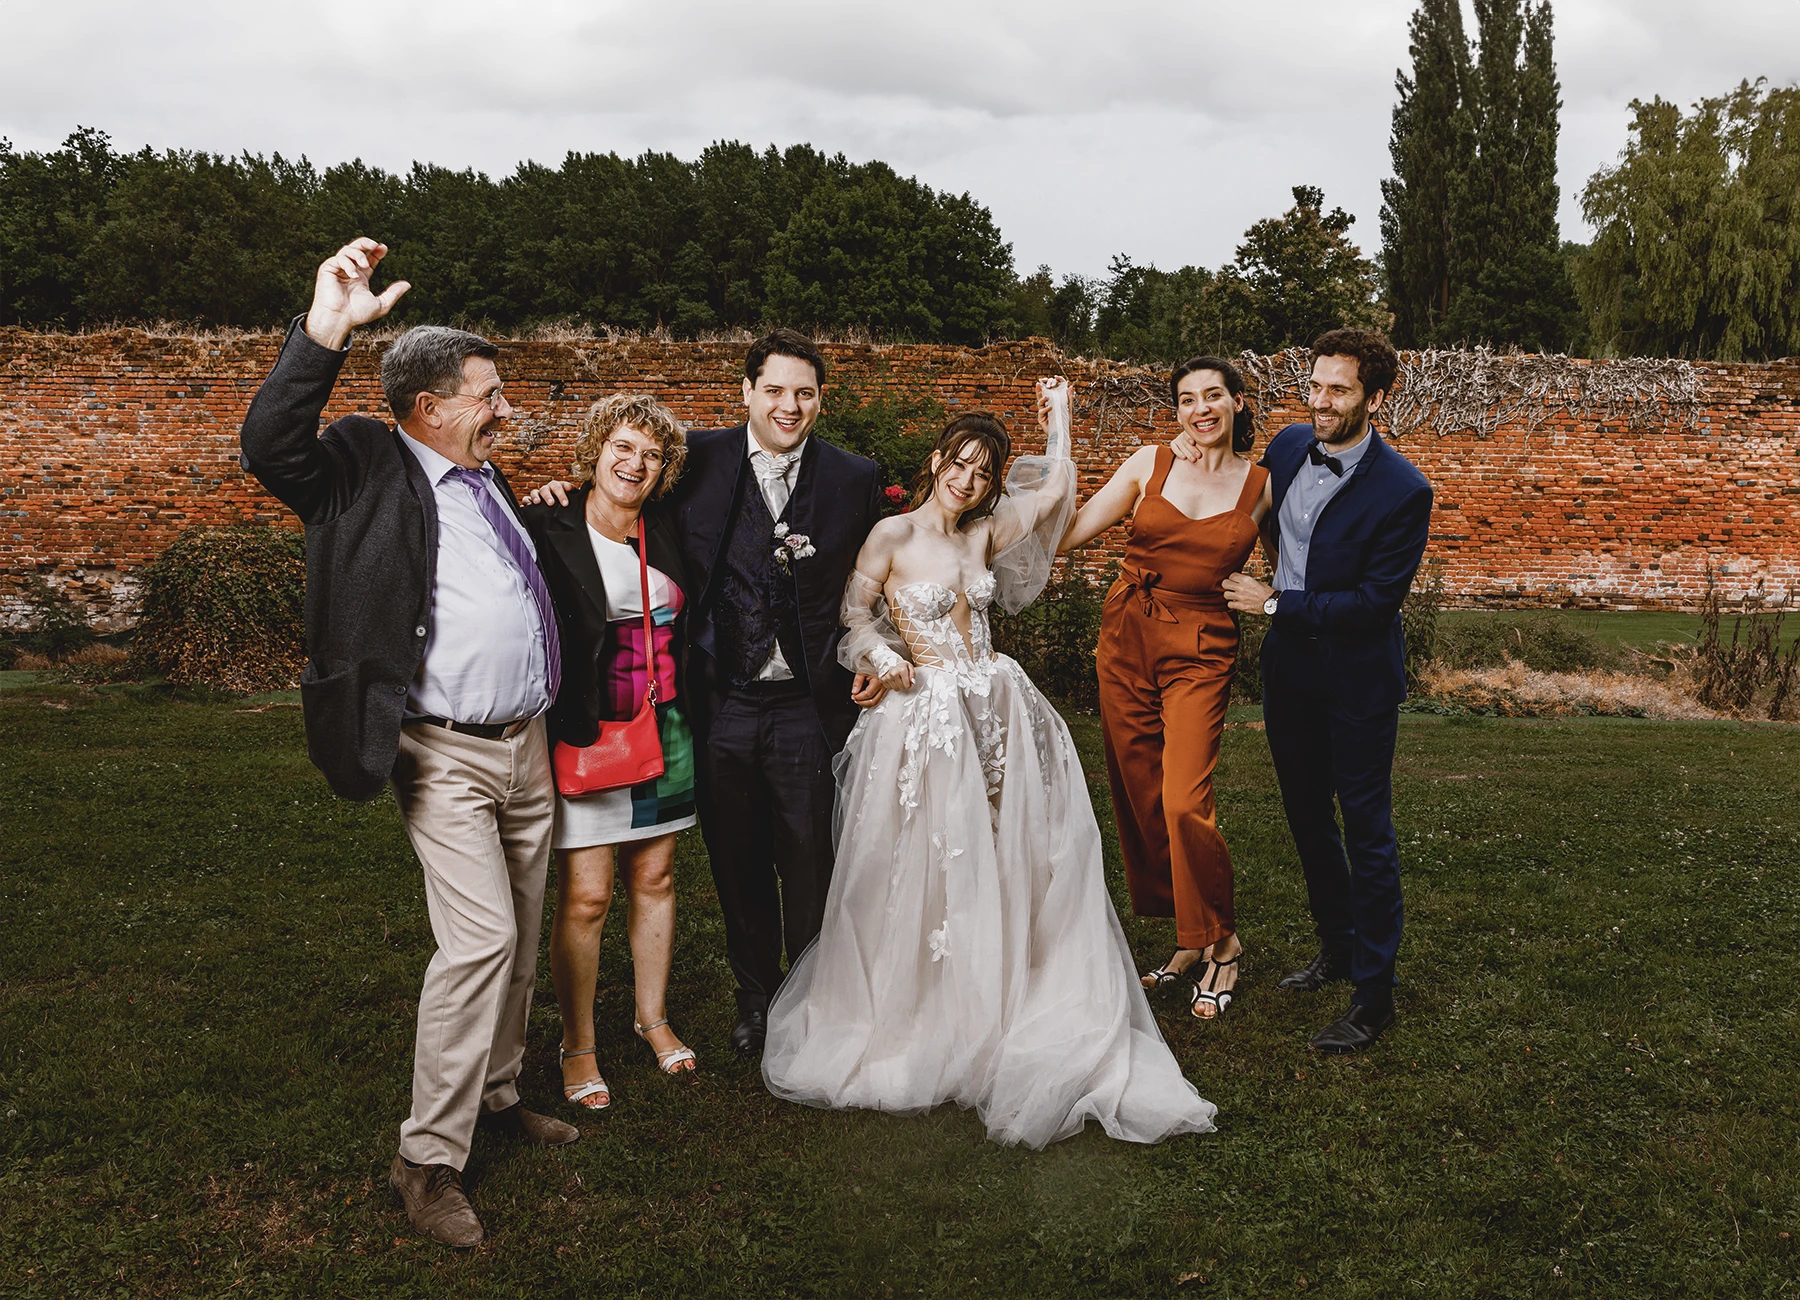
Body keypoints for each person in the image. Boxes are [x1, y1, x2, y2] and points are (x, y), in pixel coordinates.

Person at [762, 387, 1218, 1148]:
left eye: (983, 473)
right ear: (937, 460)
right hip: (927, 717)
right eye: (959, 464)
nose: (968, 481)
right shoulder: (892, 533)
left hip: (1000, 707)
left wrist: (1058, 416)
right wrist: (882, 659)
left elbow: (1057, 491)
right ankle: (929, 1011)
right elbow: (852, 616)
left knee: (1011, 849)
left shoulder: (985, 533)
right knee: (930, 855)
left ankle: (1003, 996)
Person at [240, 238, 577, 1250]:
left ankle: (498, 1091)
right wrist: (324, 331)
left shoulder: (485, 480)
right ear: (428, 405)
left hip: (526, 744)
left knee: (521, 932)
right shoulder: (359, 466)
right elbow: (270, 448)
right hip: (443, 755)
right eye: (488, 394)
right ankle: (427, 1159)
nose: (504, 408)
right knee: (480, 940)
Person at [1209, 327, 1432, 1054]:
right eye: (1315, 385)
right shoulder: (1284, 448)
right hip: (1290, 670)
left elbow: (1374, 604)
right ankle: (1337, 946)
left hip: (1358, 676)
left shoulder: (1404, 491)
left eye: (1339, 389)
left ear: (1375, 398)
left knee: (1366, 828)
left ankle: (1375, 996)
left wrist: (1275, 601)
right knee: (1307, 817)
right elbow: (1238, 494)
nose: (1322, 401)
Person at [667, 330, 886, 1058]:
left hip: (807, 701)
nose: (789, 406)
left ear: (820, 400)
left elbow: (880, 577)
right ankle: (756, 1000)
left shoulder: (854, 476)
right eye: (775, 390)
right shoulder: (694, 458)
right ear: (747, 392)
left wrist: (875, 649)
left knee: (811, 856)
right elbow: (617, 495)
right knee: (737, 858)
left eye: (804, 393)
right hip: (721, 697)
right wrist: (555, 497)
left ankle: (815, 999)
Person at [1060, 357, 1271, 1021]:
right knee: (1142, 792)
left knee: (1184, 800)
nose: (1199, 409)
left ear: (1238, 403)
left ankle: (1224, 943)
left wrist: (1270, 597)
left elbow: (1302, 565)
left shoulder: (1263, 485)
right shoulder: (1150, 463)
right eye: (1186, 399)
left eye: (1212, 396)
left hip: (1200, 648)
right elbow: (1068, 534)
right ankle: (1191, 935)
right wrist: (1056, 441)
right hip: (1128, 634)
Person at [519, 395, 698, 1114]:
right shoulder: (548, 521)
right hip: (589, 730)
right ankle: (578, 1044)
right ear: (596, 449)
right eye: (623, 446)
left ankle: (652, 1019)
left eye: (651, 455)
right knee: (588, 895)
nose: (635, 463)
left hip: (668, 725)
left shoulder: (670, 526)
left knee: (655, 876)